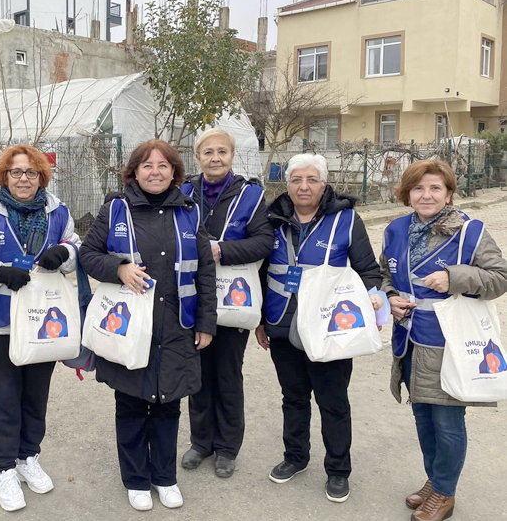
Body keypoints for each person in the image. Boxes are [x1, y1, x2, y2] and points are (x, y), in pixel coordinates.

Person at [80, 139, 217, 511]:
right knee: (130, 404)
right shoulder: (116, 209)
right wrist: (119, 268)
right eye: (146, 166)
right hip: (129, 328)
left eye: (163, 165)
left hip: (177, 325)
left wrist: (206, 321)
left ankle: (165, 477)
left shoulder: (189, 212)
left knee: (169, 403)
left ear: (174, 172)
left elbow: (204, 270)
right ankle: (137, 479)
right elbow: (88, 255)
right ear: (134, 172)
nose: (155, 172)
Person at [379, 159, 507, 521]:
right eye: (418, 188)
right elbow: (383, 273)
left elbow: (500, 277)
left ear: (449, 193)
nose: (426, 195)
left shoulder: (470, 231)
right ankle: (436, 481)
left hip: (449, 344)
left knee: (448, 423)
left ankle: (445, 494)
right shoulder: (396, 230)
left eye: (435, 188)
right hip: (408, 341)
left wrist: (454, 277)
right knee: (422, 416)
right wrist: (390, 297)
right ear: (407, 193)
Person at [256, 153, 381, 504]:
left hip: (328, 329)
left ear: (324, 185)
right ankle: (295, 457)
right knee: (293, 398)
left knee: (333, 401)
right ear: (288, 184)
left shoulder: (346, 220)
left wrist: (376, 302)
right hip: (282, 325)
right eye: (296, 179)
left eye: (312, 180)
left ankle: (338, 470)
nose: (304, 186)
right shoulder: (274, 219)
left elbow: (368, 269)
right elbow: (263, 274)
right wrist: (262, 322)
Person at [0, 144, 82, 512]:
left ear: (41, 176)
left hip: (43, 321)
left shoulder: (57, 211)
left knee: (36, 395)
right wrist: (0, 273)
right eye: (15, 172)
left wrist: (64, 253)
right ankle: (3, 468)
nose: (23, 179)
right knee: (2, 397)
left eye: (30, 172)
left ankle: (27, 456)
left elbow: (76, 245)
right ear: (4, 176)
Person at [178, 128, 274, 478]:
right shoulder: (184, 192)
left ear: (232, 156)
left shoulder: (251, 195)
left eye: (222, 151)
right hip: (193, 297)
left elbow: (265, 242)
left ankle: (228, 447)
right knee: (197, 372)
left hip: (233, 297)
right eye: (208, 152)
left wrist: (223, 250)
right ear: (197, 156)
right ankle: (201, 442)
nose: (215, 158)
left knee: (228, 373)